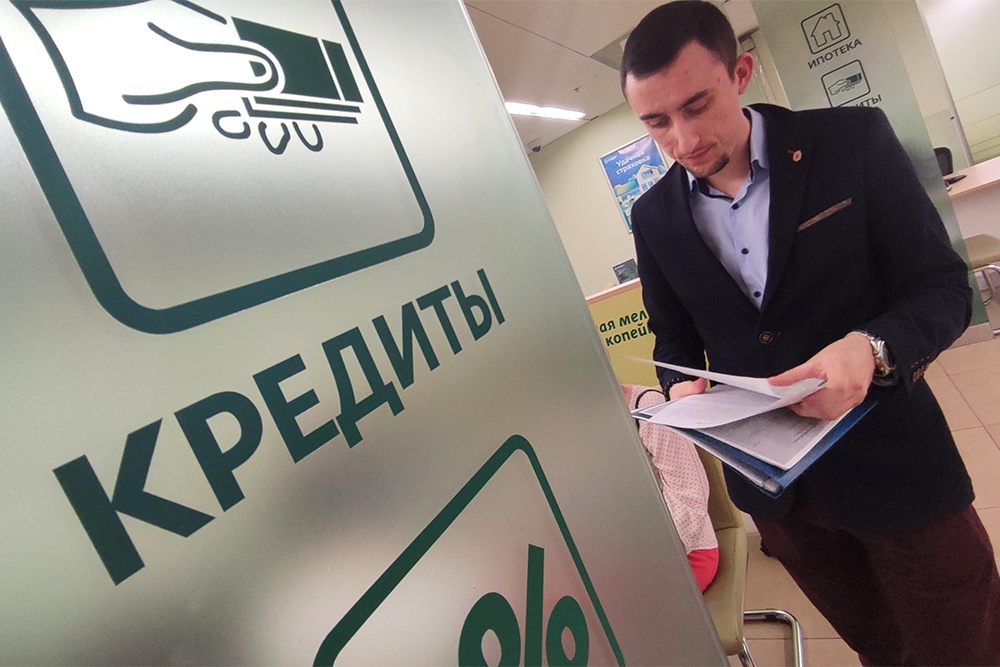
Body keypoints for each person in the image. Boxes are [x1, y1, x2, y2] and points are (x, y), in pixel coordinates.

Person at [620, 2, 1000, 664]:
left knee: (964, 644)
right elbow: (672, 340)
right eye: (657, 123)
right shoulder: (653, 217)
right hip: (783, 501)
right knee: (879, 648)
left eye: (697, 106)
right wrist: (681, 389)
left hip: (898, 468)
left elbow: (942, 288)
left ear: (741, 74)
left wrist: (872, 349)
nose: (683, 140)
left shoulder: (851, 142)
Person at [622, 384, 719, 591]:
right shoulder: (572, 427)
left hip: (686, 552)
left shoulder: (646, 405)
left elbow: (691, 500)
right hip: (622, 555)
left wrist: (641, 560)